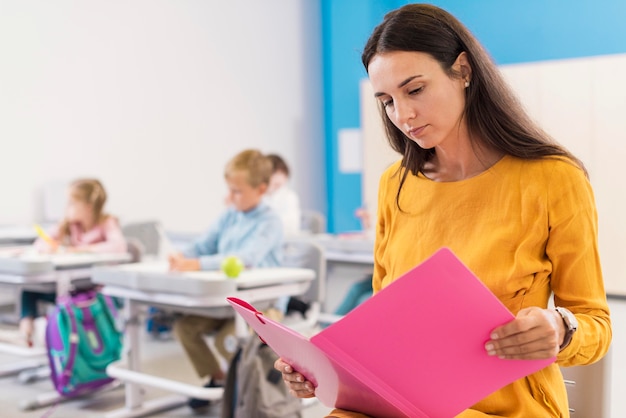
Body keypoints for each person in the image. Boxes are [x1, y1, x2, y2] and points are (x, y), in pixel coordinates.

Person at [275, 4, 612, 417]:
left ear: (464, 70)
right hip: (398, 401)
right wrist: (323, 370)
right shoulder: (394, 185)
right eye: (387, 101)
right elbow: (385, 328)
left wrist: (562, 329)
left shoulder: (553, 179)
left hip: (504, 408)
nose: (403, 116)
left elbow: (595, 323)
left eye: (414, 90)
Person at [170, 149, 284, 413]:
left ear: (261, 189)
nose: (230, 197)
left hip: (262, 304)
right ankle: (220, 380)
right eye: (230, 190)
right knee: (185, 328)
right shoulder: (230, 214)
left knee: (228, 340)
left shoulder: (270, 221)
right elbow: (203, 244)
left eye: (237, 191)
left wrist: (197, 264)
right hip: (229, 302)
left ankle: (245, 388)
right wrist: (181, 256)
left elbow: (245, 258)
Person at [19, 178, 127, 347]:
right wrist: (49, 247)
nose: (66, 208)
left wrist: (81, 249)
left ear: (88, 206)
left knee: (63, 298)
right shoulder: (68, 225)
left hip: (95, 288)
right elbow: (40, 243)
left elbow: (119, 246)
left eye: (71, 203)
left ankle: (70, 344)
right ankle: (26, 328)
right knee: (29, 288)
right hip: (68, 284)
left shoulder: (106, 222)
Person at [265, 153, 302, 237]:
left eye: (282, 174)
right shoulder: (260, 197)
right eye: (273, 174)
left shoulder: (290, 196)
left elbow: (292, 226)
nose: (278, 178)